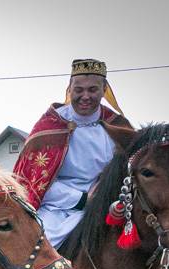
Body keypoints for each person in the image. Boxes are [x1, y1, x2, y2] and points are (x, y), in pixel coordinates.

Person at [13, 58, 131, 248]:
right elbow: (30, 183)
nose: (85, 96)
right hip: (53, 209)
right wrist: (82, 199)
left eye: (92, 90)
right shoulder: (49, 127)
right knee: (33, 248)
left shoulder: (118, 127)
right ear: (70, 89)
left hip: (105, 205)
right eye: (79, 90)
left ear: (104, 90)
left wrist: (103, 196)